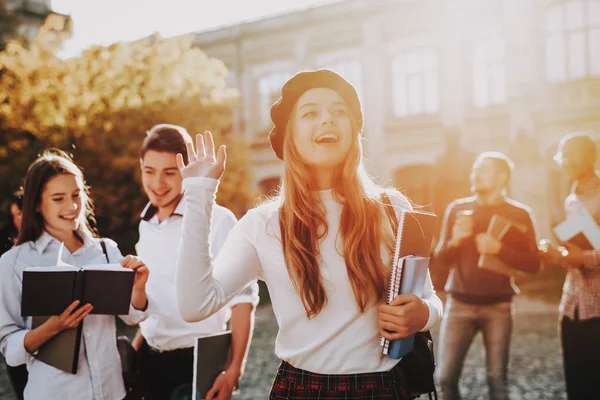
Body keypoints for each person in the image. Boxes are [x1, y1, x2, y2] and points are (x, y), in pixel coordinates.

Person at [175, 69, 443, 399]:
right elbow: (195, 305)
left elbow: (430, 298)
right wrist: (200, 194)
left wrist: (423, 314)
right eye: (310, 113)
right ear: (290, 134)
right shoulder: (262, 224)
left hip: (382, 388)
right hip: (300, 389)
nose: (327, 120)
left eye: (339, 111)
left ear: (354, 131)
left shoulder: (393, 207)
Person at [0, 151, 150, 400]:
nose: (71, 207)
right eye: (58, 198)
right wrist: (52, 328)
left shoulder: (106, 249)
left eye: (76, 195)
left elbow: (133, 317)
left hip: (113, 393)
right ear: (36, 204)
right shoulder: (14, 262)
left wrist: (138, 288)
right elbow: (9, 349)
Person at [135, 124, 259, 400]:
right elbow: (154, 299)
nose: (157, 184)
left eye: (169, 172)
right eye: (149, 171)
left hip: (195, 361)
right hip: (148, 361)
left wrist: (233, 371)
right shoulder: (147, 224)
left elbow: (243, 302)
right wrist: (134, 352)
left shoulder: (219, 220)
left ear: (188, 170)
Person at [434, 152, 541, 400]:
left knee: (497, 380)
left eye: (483, 169)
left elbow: (534, 264)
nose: (475, 174)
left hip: (499, 307)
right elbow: (441, 257)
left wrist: (499, 249)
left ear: (502, 176)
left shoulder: (520, 213)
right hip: (459, 305)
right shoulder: (458, 209)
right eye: (474, 169)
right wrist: (456, 241)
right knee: (445, 379)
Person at [538, 132, 600, 399]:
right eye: (563, 155)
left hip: (598, 309)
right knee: (576, 384)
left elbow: (586, 253)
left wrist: (575, 258)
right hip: (572, 306)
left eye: (572, 154)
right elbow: (577, 247)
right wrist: (556, 254)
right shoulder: (571, 200)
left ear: (590, 156)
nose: (566, 161)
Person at [0, 191, 28, 399]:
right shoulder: (9, 257)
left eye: (23, 212)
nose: (21, 218)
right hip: (18, 339)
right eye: (16, 214)